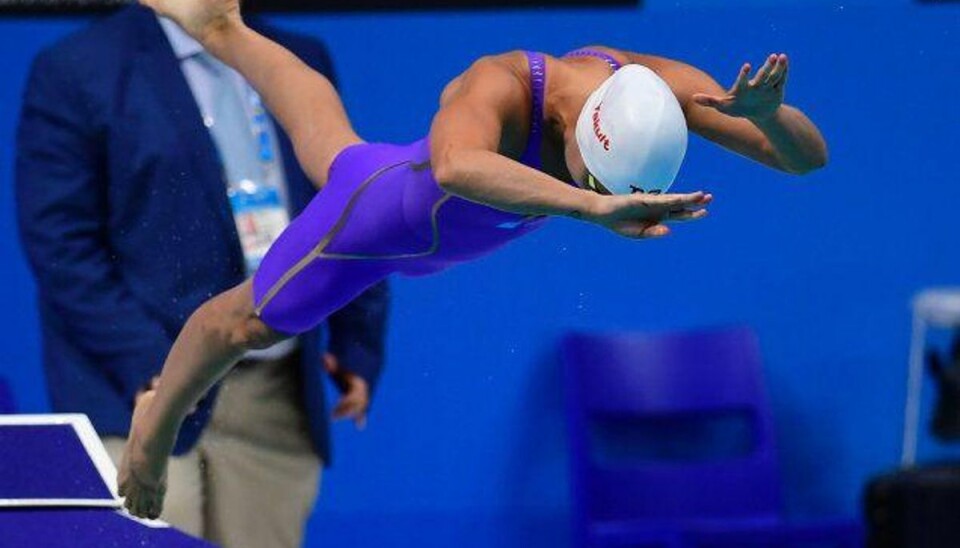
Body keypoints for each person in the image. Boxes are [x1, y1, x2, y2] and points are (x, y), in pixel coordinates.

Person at [120, 0, 827, 519]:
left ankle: (225, 29)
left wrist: (764, 117)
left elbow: (807, 162)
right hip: (379, 223)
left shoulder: (655, 88)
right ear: (573, 129)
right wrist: (589, 207)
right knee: (242, 324)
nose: (601, 194)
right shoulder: (504, 83)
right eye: (597, 178)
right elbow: (457, 167)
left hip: (448, 236)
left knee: (331, 142)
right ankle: (153, 433)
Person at [15, 4, 389, 546]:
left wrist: (358, 342)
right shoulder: (76, 69)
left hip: (273, 396)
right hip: (137, 392)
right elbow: (61, 247)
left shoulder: (301, 58)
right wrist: (161, 375)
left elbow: (350, 201)